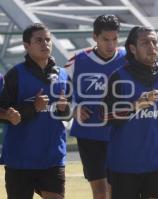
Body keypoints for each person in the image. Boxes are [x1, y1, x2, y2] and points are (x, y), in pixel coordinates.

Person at [104, 26, 158, 199]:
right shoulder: (119, 77)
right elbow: (105, 116)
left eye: (154, 42)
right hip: (124, 165)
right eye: (145, 42)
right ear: (132, 48)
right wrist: (135, 105)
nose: (152, 46)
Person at [0, 23, 71, 199]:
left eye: (48, 40)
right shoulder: (15, 75)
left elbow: (69, 112)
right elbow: (2, 111)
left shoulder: (63, 75)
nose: (45, 44)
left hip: (53, 157)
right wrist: (29, 109)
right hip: (20, 159)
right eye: (39, 40)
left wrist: (65, 108)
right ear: (26, 46)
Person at [64, 14, 126, 199]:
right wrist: (74, 108)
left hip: (120, 133)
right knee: (100, 193)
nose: (110, 44)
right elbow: (58, 92)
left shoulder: (129, 58)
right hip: (90, 135)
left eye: (114, 39)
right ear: (95, 37)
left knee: (118, 190)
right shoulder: (77, 61)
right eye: (105, 39)